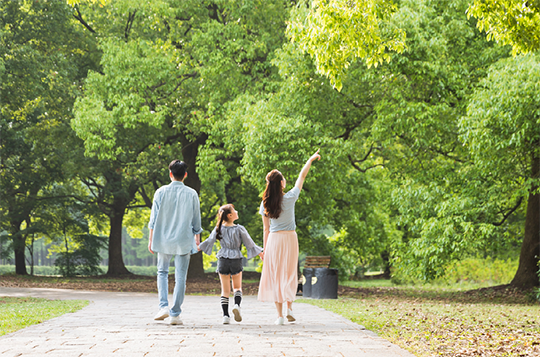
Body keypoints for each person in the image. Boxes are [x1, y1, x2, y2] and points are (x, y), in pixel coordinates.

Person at [257, 149, 321, 325]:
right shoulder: (291, 197)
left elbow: (265, 229)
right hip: (290, 239)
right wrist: (310, 159)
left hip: (274, 241)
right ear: (282, 184)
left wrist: (265, 250)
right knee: (290, 273)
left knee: (277, 276)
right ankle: (290, 308)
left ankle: (279, 317)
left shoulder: (265, 204)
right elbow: (302, 176)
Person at [148, 159, 203, 325]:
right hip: (184, 239)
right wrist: (197, 240)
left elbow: (153, 219)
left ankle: (163, 306)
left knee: (162, 272)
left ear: (170, 174)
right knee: (181, 277)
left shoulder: (160, 192)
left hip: (163, 238)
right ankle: (175, 314)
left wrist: (151, 240)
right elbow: (196, 221)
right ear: (185, 175)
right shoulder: (192, 193)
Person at [198, 204, 264, 324]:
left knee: (225, 290)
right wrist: (260, 253)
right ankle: (237, 305)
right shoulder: (239, 229)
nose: (237, 211)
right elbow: (250, 244)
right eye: (235, 210)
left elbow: (209, 241)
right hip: (236, 259)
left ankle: (225, 316)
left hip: (222, 259)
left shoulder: (218, 228)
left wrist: (198, 247)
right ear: (230, 215)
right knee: (237, 287)